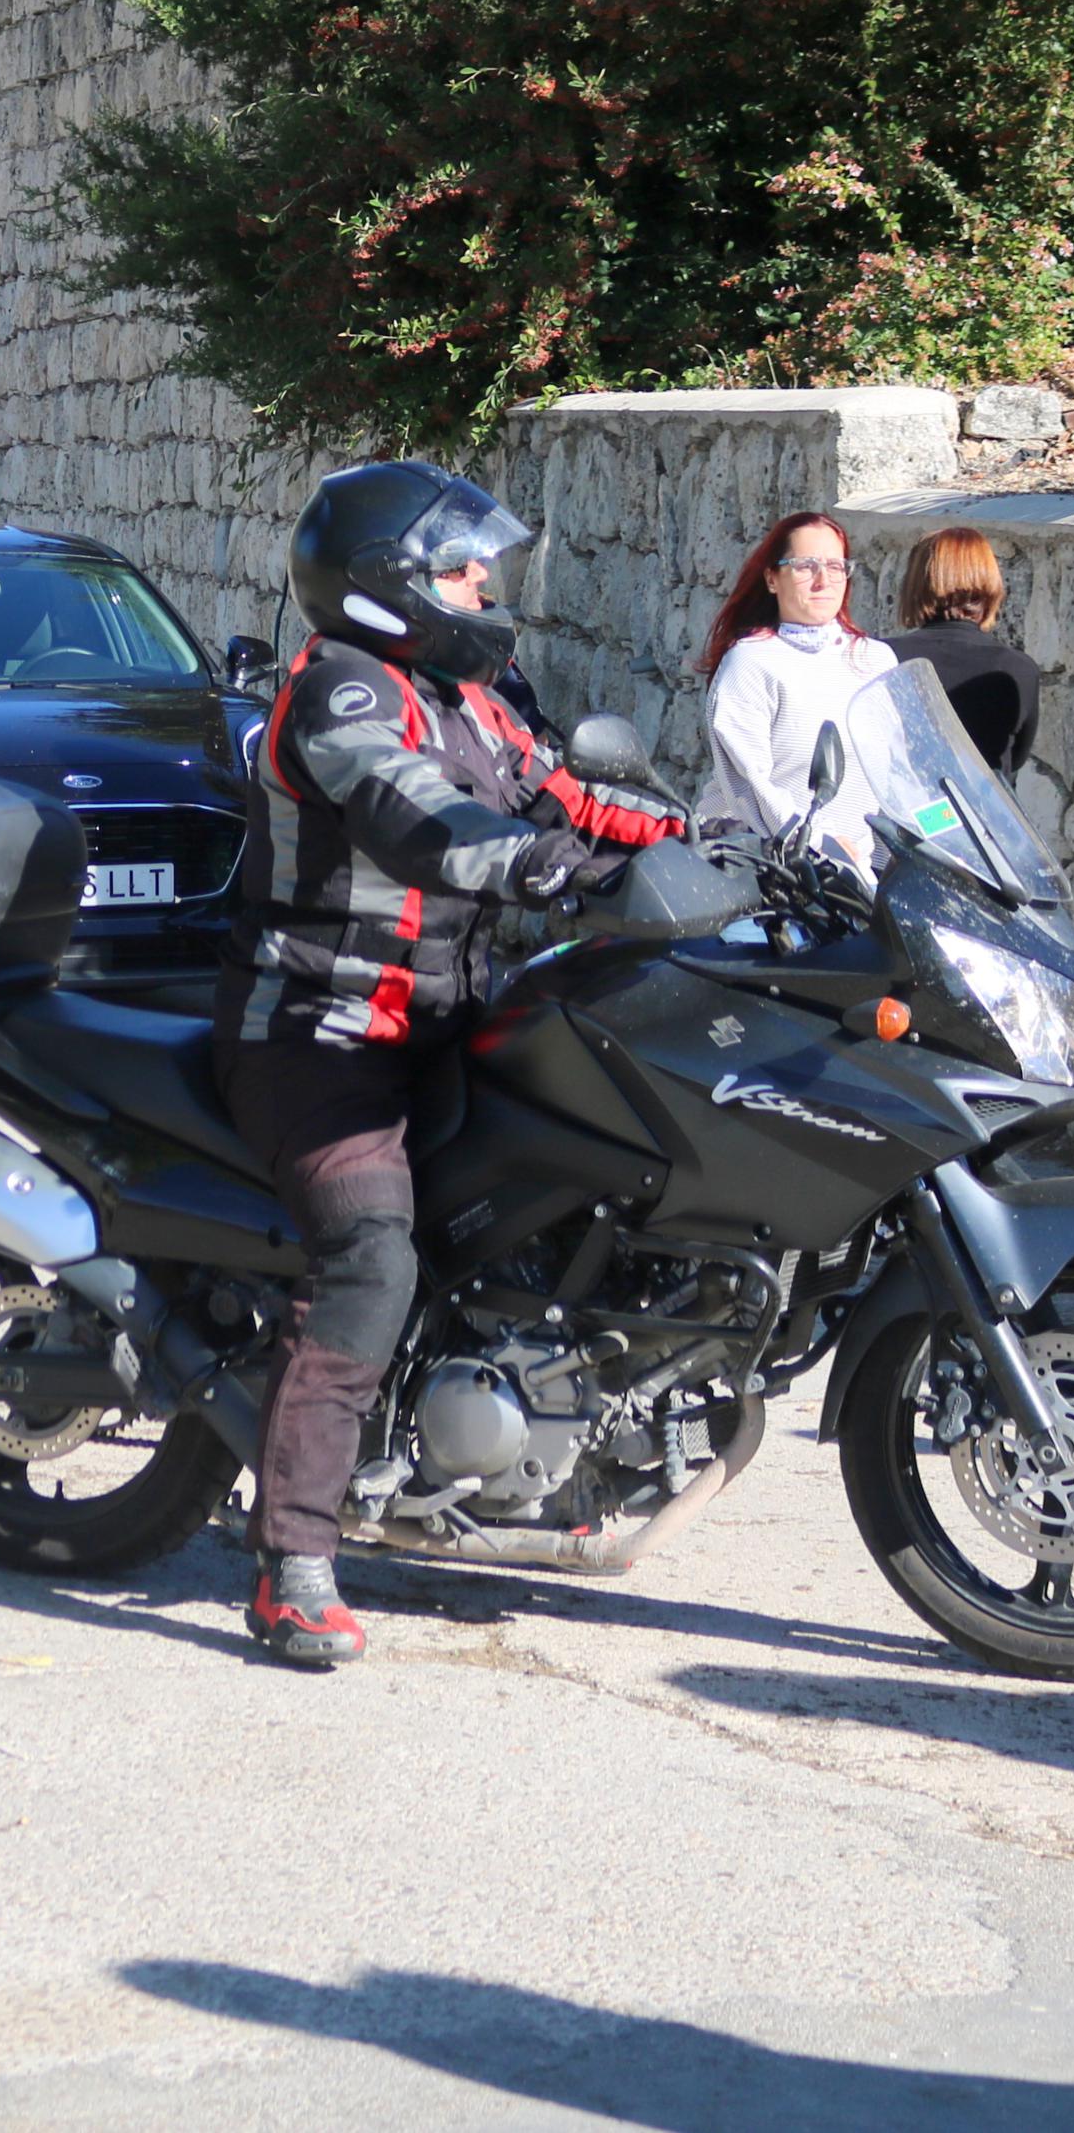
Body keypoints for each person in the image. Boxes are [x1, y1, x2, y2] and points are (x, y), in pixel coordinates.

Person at [220, 460, 689, 1670]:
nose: (482, 581)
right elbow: (420, 818)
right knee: (367, 1260)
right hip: (327, 1041)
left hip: (452, 1021)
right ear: (390, 585)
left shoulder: (469, 695)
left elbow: (568, 794)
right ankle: (294, 1566)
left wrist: (707, 842)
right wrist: (538, 868)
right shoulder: (340, 694)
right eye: (459, 566)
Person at [694, 512, 897, 859]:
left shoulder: (876, 660)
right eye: (805, 566)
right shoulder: (750, 662)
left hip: (853, 877)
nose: (823, 581)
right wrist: (818, 844)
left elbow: (900, 772)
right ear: (773, 578)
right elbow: (751, 784)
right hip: (769, 866)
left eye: (835, 566)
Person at [883, 525, 1041, 775]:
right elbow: (1016, 758)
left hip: (906, 809)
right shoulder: (1019, 667)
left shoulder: (882, 657)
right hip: (983, 811)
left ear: (915, 583)